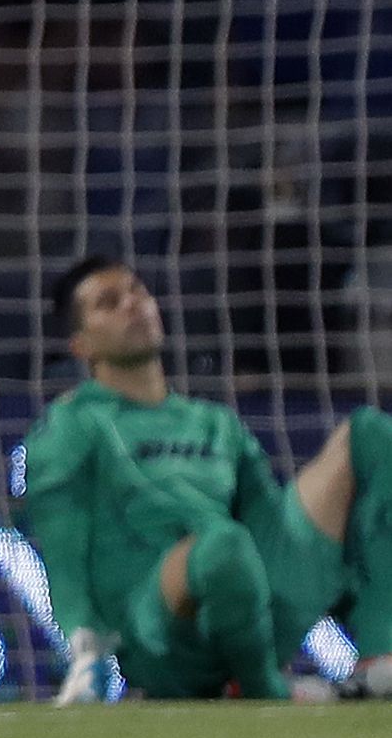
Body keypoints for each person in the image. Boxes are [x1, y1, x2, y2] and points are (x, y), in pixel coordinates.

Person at [25, 254, 392, 703]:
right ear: (82, 345)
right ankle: (265, 692)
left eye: (137, 291)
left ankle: (381, 656)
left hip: (246, 602)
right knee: (222, 545)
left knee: (371, 435)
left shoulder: (215, 423)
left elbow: (271, 530)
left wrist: (343, 561)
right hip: (155, 628)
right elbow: (63, 548)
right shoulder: (71, 425)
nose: (133, 305)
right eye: (109, 302)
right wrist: (84, 643)